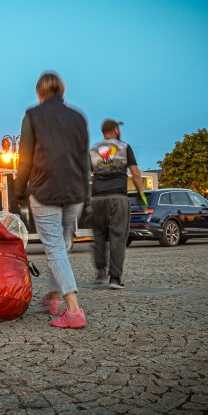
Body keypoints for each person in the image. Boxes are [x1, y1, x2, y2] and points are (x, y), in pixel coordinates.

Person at [15, 71, 89, 329]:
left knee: (55, 247)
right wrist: (86, 195)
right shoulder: (78, 117)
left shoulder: (33, 115)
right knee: (63, 245)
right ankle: (54, 298)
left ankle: (74, 310)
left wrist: (18, 191)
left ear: (39, 93)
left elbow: (25, 158)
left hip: (45, 188)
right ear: (62, 91)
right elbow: (85, 159)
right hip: (75, 190)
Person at [89, 119, 146, 290]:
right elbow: (135, 173)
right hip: (118, 197)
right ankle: (114, 278)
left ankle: (100, 269)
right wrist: (141, 194)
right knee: (118, 237)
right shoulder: (124, 147)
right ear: (115, 129)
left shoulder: (92, 149)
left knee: (99, 235)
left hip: (97, 198)